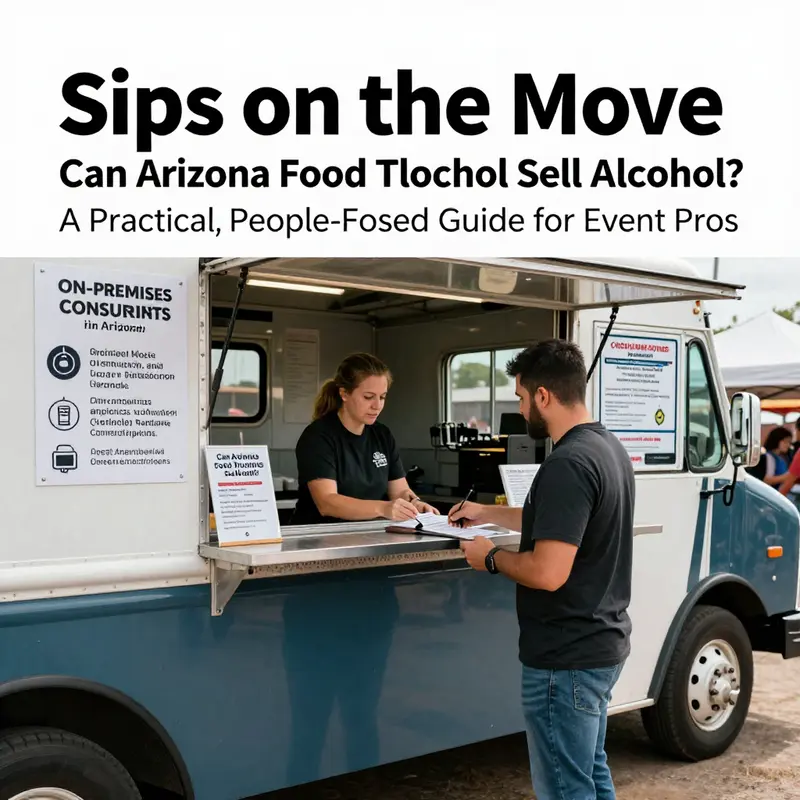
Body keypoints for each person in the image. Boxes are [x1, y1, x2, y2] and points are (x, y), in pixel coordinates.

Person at [450, 339, 634, 800]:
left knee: (564, 788)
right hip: (600, 644)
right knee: (590, 776)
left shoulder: (567, 464)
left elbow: (548, 572)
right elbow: (559, 522)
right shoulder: (606, 447)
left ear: (543, 396)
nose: (520, 406)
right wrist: (486, 512)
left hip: (565, 658)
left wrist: (489, 557)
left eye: (520, 396)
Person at [291, 352, 439, 525]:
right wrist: (384, 508)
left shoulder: (382, 435)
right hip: (320, 538)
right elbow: (327, 502)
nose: (377, 406)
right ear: (344, 394)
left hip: (368, 534)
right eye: (368, 397)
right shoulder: (318, 436)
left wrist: (415, 503)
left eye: (382, 397)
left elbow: (399, 491)